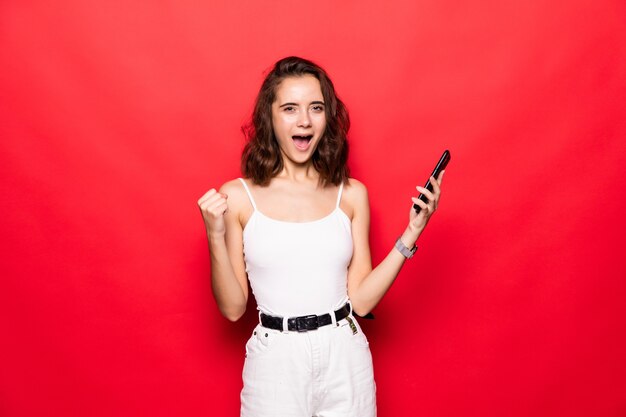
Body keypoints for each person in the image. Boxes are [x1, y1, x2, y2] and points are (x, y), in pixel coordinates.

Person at [197, 56, 444, 417]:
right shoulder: (237, 197)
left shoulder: (352, 194)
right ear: (270, 117)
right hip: (276, 362)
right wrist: (214, 236)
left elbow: (361, 302)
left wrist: (412, 231)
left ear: (327, 117)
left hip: (345, 353)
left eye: (316, 107)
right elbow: (234, 309)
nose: (304, 120)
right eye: (290, 108)